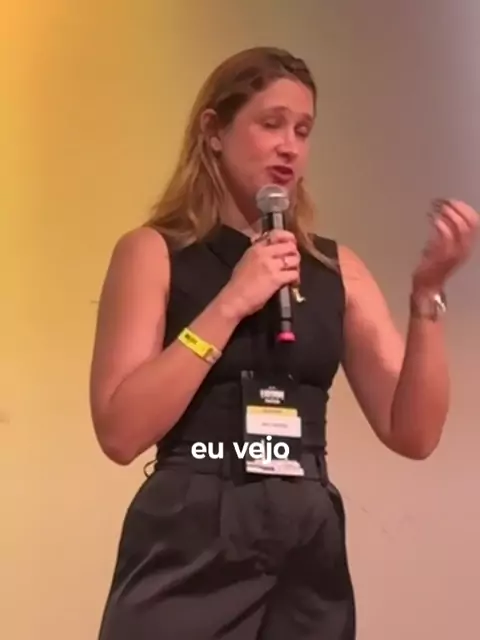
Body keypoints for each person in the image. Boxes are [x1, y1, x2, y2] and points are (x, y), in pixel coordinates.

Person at [89, 46, 478, 640]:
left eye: (302, 130)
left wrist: (427, 297)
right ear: (214, 131)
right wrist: (231, 302)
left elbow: (414, 433)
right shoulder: (155, 252)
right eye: (270, 124)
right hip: (192, 527)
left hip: (304, 544)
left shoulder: (334, 269)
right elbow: (120, 431)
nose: (290, 147)